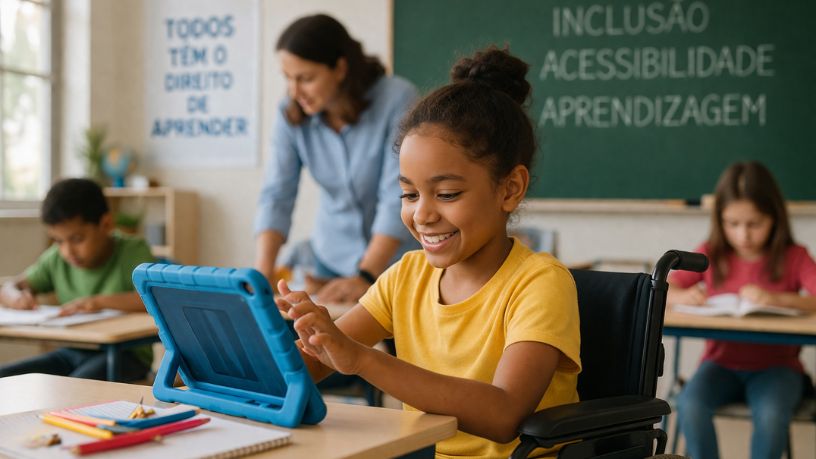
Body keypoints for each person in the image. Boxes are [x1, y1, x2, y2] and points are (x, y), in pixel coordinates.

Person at [276, 47, 581, 458]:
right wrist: (256, 345)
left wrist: (362, 360)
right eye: (408, 193)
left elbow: (503, 413)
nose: (422, 214)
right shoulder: (407, 275)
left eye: (447, 194)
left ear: (510, 189)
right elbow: (317, 362)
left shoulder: (540, 283)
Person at [255, 14, 418, 303]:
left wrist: (366, 276)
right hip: (330, 259)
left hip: (395, 264)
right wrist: (261, 274)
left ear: (340, 68)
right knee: (322, 344)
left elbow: (398, 193)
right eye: (288, 78)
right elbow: (277, 193)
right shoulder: (290, 111)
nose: (294, 91)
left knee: (394, 348)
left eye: (306, 78)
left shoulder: (397, 99)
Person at [668, 161, 816, 459]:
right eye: (732, 224)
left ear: (774, 218)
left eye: (754, 224)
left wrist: (779, 300)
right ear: (719, 220)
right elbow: (666, 287)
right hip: (720, 364)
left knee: (772, 416)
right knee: (690, 405)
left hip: (777, 369)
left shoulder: (794, 256)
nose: (743, 235)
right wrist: (684, 295)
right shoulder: (711, 252)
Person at [0, 178, 155, 381]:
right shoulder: (56, 258)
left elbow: (154, 299)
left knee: (70, 388)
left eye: (77, 239)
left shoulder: (133, 251)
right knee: (5, 378)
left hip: (127, 355)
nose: (67, 251)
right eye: (58, 241)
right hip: (72, 352)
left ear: (106, 224)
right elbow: (12, 285)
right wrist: (14, 296)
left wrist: (96, 302)